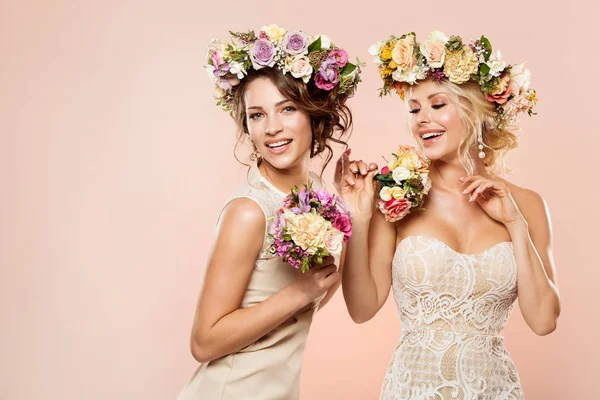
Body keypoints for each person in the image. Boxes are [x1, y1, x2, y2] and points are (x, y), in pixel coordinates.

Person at [336, 31, 560, 399]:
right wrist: (358, 218)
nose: (422, 119)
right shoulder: (394, 198)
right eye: (414, 109)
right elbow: (361, 308)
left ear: (474, 110)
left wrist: (515, 225)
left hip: (495, 390)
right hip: (412, 390)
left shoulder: (527, 205)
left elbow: (543, 321)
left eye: (437, 105)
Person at [177, 24, 362, 400]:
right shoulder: (248, 211)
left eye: (287, 109)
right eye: (257, 115)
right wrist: (297, 292)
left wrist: (352, 212)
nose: (272, 128)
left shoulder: (313, 192)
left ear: (314, 114)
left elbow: (319, 290)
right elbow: (204, 340)